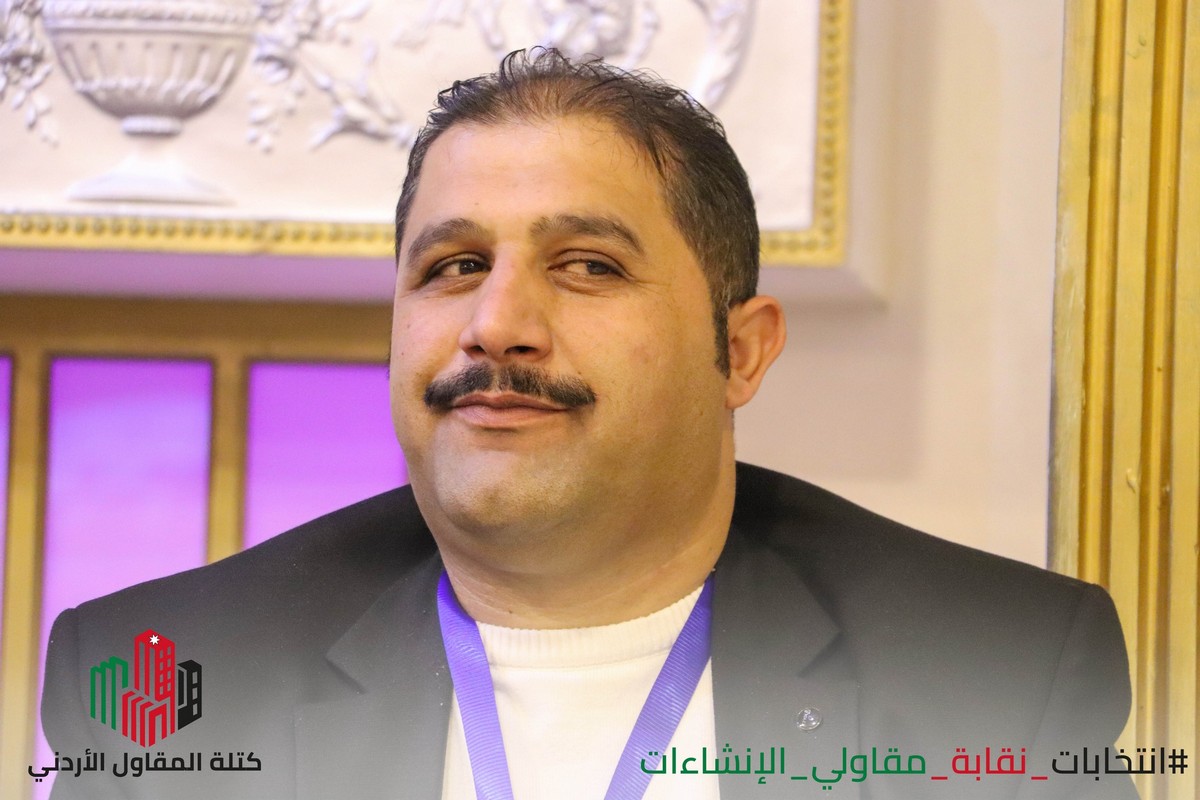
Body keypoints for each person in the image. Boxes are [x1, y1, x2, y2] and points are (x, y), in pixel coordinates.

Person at [39, 49, 1136, 800]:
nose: (497, 325)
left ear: (741, 352)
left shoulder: (996, 676)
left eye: (588, 266)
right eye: (455, 265)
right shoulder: (170, 685)